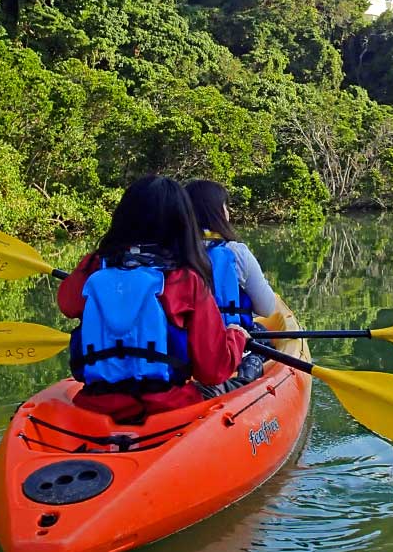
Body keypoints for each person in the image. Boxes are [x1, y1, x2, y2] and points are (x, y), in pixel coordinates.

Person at [58, 175, 250, 422]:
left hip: (95, 406)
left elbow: (66, 304)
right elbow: (212, 371)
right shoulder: (185, 280)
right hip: (169, 408)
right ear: (182, 224)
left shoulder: (94, 267)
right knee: (243, 378)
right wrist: (236, 336)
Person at [185, 179, 278, 396]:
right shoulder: (236, 252)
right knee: (262, 335)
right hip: (229, 343)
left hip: (186, 348)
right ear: (219, 211)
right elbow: (267, 308)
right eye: (226, 206)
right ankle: (242, 380)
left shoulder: (172, 254)